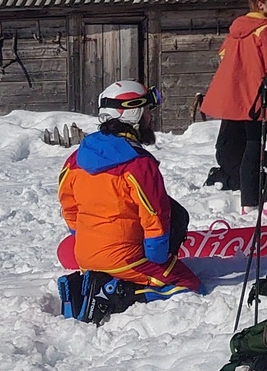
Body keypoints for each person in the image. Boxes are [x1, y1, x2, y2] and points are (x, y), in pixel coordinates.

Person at [56, 80, 202, 316]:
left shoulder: (76, 157)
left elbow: (68, 206)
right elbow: (155, 216)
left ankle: (96, 283)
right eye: (146, 112)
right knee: (189, 285)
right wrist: (158, 259)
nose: (150, 119)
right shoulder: (138, 164)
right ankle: (114, 295)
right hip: (126, 260)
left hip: (84, 255)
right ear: (133, 113)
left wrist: (82, 237)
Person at [201, 0, 267, 211]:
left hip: (248, 99)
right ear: (261, 5)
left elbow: (224, 54)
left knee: (252, 146)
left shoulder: (238, 30)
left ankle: (250, 200)